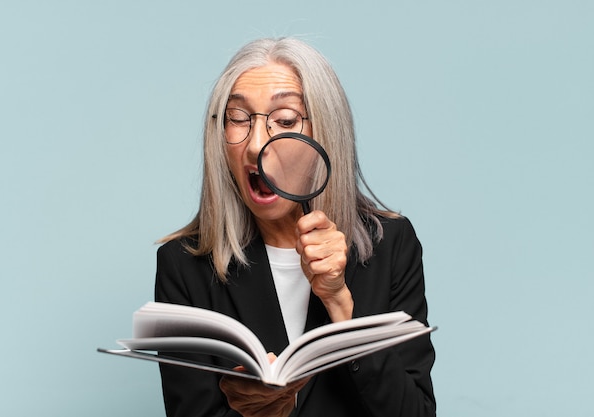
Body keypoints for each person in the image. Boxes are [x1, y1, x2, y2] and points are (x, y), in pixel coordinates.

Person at [155, 37, 436, 417]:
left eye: (284, 121)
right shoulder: (183, 265)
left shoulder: (392, 245)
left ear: (324, 133)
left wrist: (340, 302)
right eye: (238, 119)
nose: (256, 145)